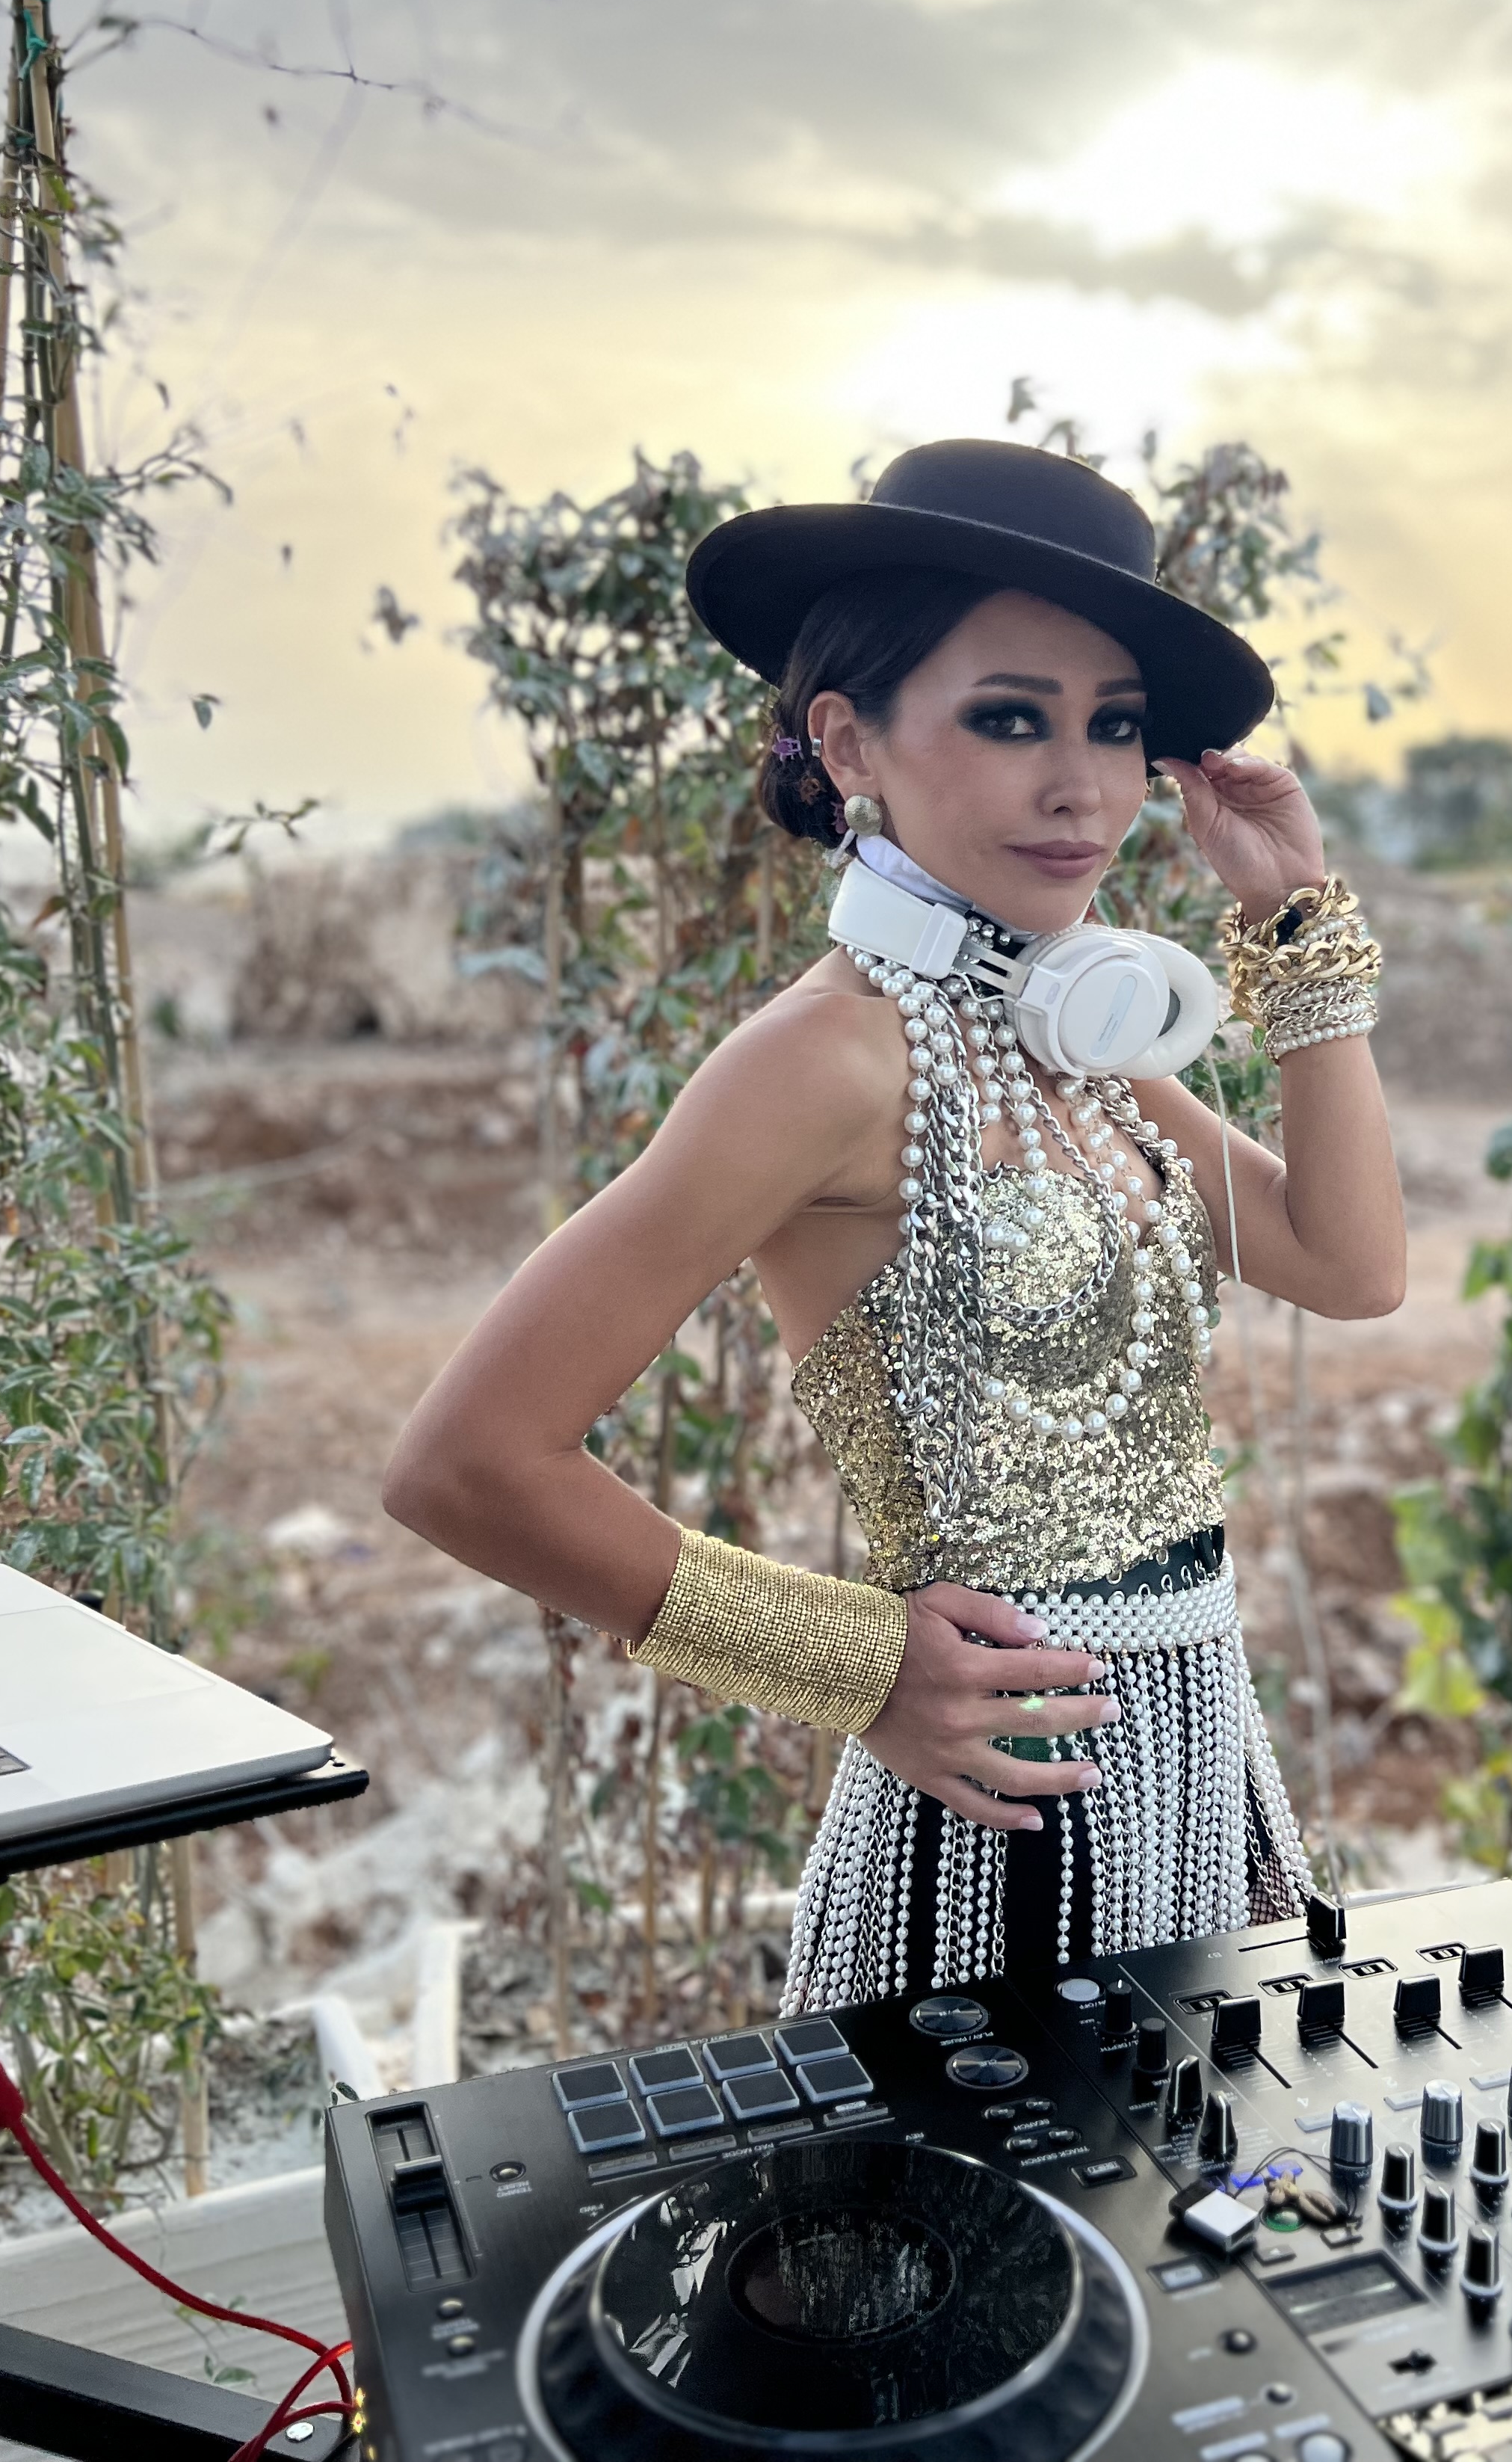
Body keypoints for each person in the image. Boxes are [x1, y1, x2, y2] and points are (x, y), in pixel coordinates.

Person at [383, 438, 1406, 2010]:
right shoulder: (828, 1060)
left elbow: (1350, 1265)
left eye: (1115, 726)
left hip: (1200, 1776)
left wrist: (1292, 926)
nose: (1083, 787)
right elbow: (465, 1463)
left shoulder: (1071, 1037)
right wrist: (857, 1667)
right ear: (850, 739)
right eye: (1010, 718)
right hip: (1000, 1837)